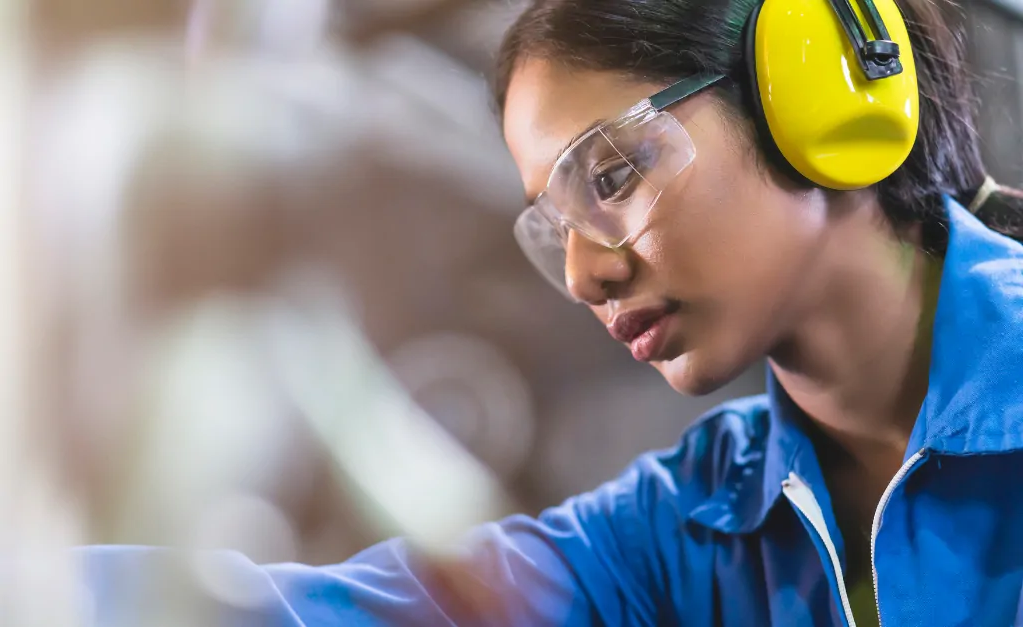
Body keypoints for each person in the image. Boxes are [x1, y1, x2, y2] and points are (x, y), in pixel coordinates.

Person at [76, 0, 1023, 625]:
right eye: (555, 225)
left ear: (816, 91)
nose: (580, 275)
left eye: (611, 175)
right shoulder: (690, 526)